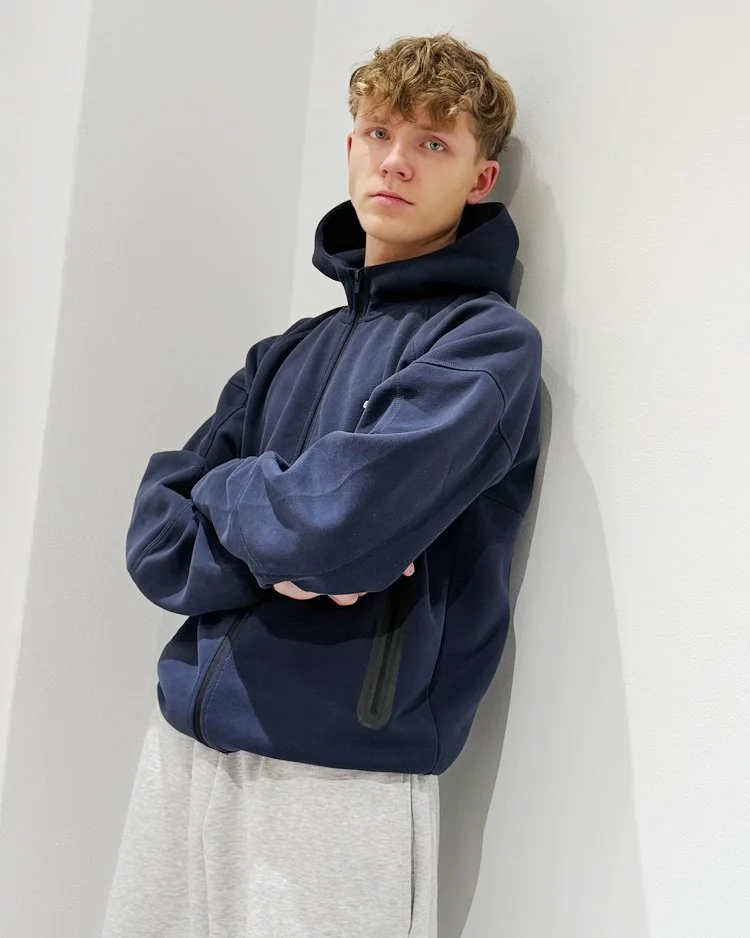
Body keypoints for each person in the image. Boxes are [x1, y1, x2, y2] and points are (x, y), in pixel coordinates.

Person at [102, 31, 542, 938]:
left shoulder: (484, 346)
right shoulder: (286, 351)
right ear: (350, 146)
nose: (396, 161)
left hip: (339, 776)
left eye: (433, 142)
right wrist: (276, 531)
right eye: (379, 132)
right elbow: (154, 536)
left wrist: (238, 500)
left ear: (481, 177)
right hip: (184, 748)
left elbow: (335, 528)